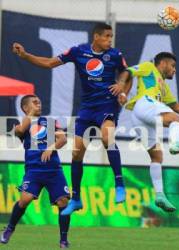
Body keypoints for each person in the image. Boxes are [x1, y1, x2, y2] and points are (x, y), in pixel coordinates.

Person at [12, 22, 128, 215]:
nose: (110, 40)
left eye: (111, 36)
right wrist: (25, 55)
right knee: (76, 153)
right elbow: (49, 63)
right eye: (107, 36)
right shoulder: (78, 51)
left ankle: (119, 184)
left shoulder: (115, 55)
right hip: (87, 108)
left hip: (107, 105)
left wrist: (121, 85)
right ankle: (76, 198)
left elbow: (126, 71)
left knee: (108, 138)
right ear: (96, 37)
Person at [117, 52, 179, 212]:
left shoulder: (163, 86)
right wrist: (121, 90)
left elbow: (175, 105)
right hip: (145, 103)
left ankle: (160, 195)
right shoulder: (149, 67)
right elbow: (128, 71)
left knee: (156, 156)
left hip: (138, 116)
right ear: (163, 63)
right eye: (173, 66)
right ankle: (175, 144)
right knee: (176, 120)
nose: (174, 70)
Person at [0, 95, 70, 248]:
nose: (39, 104)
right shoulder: (22, 126)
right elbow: (19, 131)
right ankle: (9, 230)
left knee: (63, 201)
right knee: (25, 200)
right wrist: (29, 116)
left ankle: (63, 240)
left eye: (39, 101)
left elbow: (63, 139)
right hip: (34, 171)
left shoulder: (49, 122)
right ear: (25, 108)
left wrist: (50, 148)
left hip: (53, 170)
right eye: (35, 102)